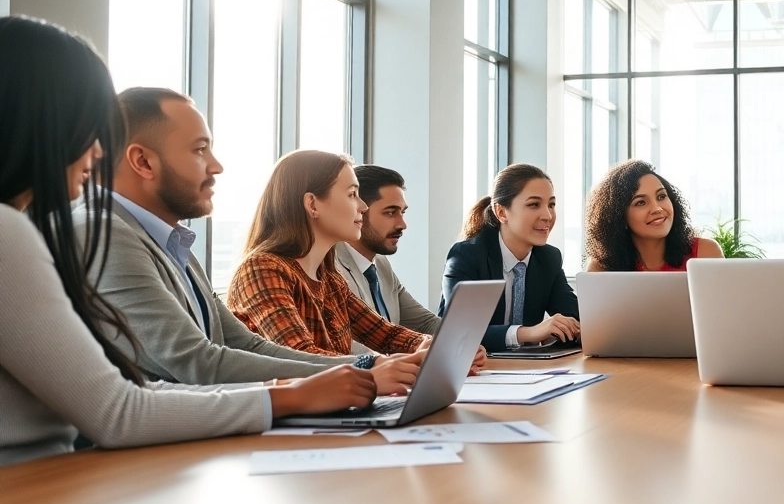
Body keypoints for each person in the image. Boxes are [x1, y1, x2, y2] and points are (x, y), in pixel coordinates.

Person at [0, 16, 375, 465]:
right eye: (84, 126)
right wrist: (292, 395)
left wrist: (346, 375)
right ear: (40, 122)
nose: (97, 151)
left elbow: (150, 384)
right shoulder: (19, 232)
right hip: (36, 487)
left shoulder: (166, 240)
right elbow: (119, 409)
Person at [73, 87, 420, 394]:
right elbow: (200, 363)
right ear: (143, 161)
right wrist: (364, 372)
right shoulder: (106, 233)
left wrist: (372, 366)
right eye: (200, 150)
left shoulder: (175, 245)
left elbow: (248, 345)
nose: (216, 166)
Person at [227, 151, 487, 374]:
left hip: (332, 407)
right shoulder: (262, 269)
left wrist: (440, 347)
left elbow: (385, 335)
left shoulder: (329, 278)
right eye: (352, 194)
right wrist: (377, 365)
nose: (362, 206)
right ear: (312, 204)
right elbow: (300, 357)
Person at [442, 164, 580, 353]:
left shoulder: (549, 258)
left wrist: (565, 329)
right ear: (501, 212)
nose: (548, 215)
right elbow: (460, 331)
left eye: (551, 205)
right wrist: (528, 333)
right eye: (534, 205)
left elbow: (574, 316)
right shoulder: (468, 255)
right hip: (476, 365)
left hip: (528, 366)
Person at [334, 165, 441, 335]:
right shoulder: (331, 267)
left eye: (402, 213)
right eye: (390, 213)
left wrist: (462, 340)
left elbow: (425, 323)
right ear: (357, 212)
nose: (402, 224)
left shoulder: (381, 264)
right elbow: (347, 341)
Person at [583, 160, 723, 272]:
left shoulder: (705, 253)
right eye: (640, 202)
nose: (657, 208)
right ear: (619, 217)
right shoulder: (602, 266)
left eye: (661, 196)